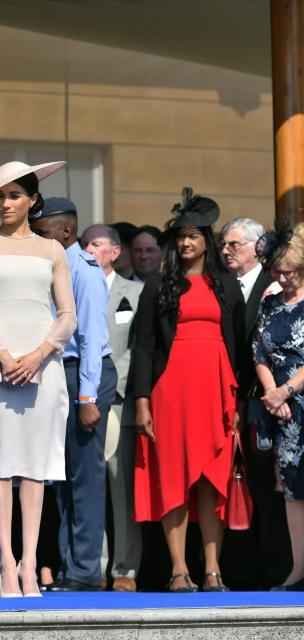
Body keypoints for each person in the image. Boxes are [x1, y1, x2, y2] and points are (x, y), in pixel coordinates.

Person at [0, 160, 77, 598]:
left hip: (43, 367)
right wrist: (4, 355)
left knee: (35, 467)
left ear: (32, 200)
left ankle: (31, 564)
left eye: (13, 195)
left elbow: (67, 314)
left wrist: (40, 354)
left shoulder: (52, 251)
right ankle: (6, 565)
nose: (5, 203)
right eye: (0, 196)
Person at [132, 188, 245, 593]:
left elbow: (240, 348)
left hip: (217, 390)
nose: (185, 243)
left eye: (193, 236)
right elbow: (144, 346)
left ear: (206, 240)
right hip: (170, 392)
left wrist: (239, 401)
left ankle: (213, 569)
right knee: (175, 477)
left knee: (213, 479)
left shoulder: (227, 286)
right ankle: (179, 569)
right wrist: (142, 400)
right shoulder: (158, 284)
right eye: (180, 236)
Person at [30, 199, 117, 593]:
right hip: (58, 373)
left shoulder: (82, 268)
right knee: (61, 479)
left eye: (43, 228)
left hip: (83, 373)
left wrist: (86, 398)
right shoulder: (52, 266)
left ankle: (84, 570)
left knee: (84, 477)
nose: (36, 234)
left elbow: (93, 338)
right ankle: (70, 566)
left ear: (65, 232)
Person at [220, 217, 287, 590]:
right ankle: (243, 570)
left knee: (272, 488)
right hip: (236, 402)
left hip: (271, 401)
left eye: (235, 244)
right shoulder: (223, 284)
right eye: (224, 245)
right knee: (242, 488)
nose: (226, 251)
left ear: (257, 246)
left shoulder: (274, 285)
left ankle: (276, 567)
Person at [81, 224, 144, 592]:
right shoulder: (71, 288)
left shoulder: (135, 292)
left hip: (117, 398)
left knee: (121, 489)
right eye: (85, 243)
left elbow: (137, 346)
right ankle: (93, 565)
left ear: (115, 252)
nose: (89, 249)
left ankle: (125, 568)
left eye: (97, 244)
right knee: (87, 487)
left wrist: (107, 385)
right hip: (83, 400)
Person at [253, 224, 304, 591]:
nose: (283, 278)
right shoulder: (269, 304)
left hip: (297, 397)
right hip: (283, 413)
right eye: (278, 271)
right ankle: (298, 569)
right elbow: (259, 352)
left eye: (291, 271)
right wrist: (273, 394)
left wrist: (285, 390)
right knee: (292, 493)